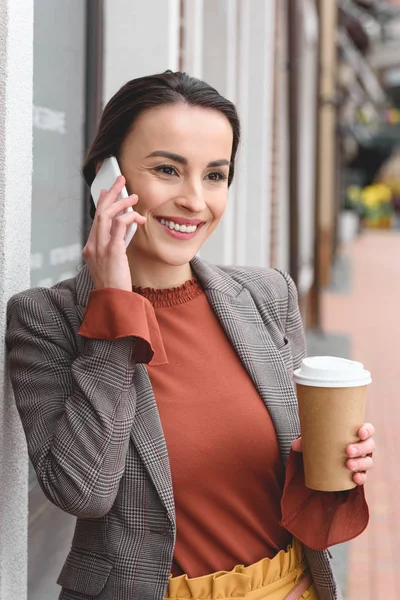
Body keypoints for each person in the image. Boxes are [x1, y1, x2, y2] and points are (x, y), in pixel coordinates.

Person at [6, 71, 375, 600]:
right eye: (167, 170)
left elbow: (296, 485)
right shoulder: (47, 319)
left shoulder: (268, 297)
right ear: (105, 177)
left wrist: (333, 466)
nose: (194, 200)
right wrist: (114, 309)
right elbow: (82, 489)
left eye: (215, 175)